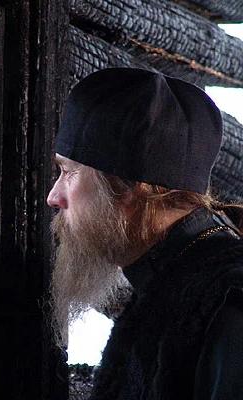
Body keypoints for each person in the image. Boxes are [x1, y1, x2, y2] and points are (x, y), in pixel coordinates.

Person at [46, 67, 243, 399]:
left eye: (69, 172)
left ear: (128, 186)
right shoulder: (172, 282)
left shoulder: (228, 304)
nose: (54, 197)